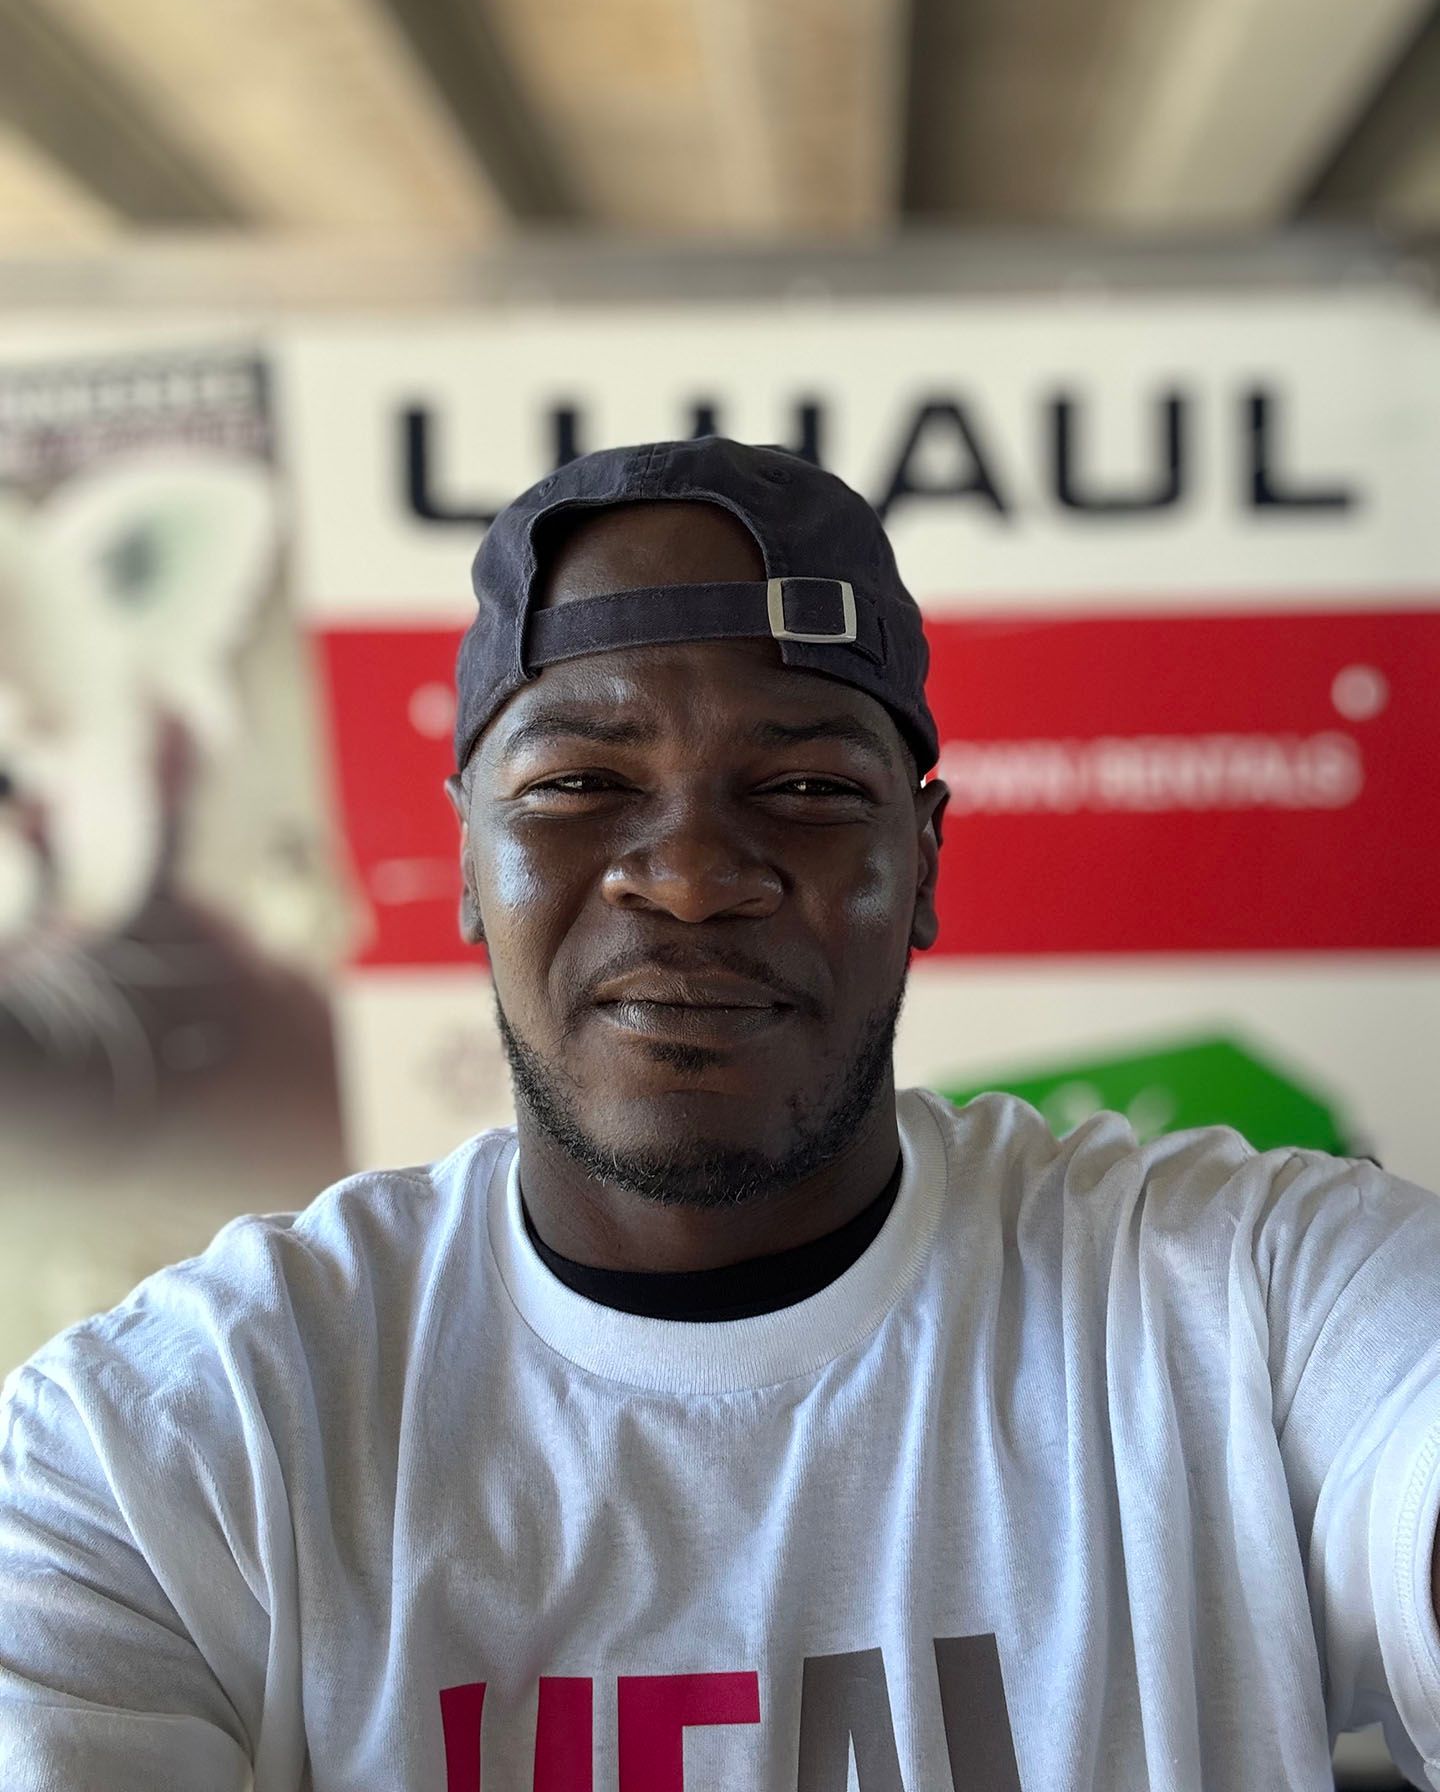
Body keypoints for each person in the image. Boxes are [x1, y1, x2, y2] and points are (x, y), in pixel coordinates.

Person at [2, 435, 1439, 1791]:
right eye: (578, 784)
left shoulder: (1238, 1301)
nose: (687, 876)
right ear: (464, 861)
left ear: (921, 860)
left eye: (807, 784)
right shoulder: (186, 1431)